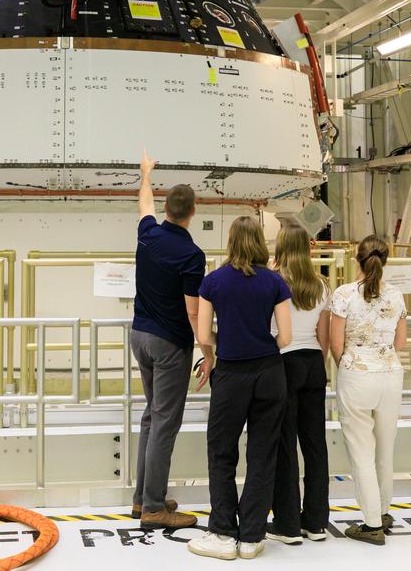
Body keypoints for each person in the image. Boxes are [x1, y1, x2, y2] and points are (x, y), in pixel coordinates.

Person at [187, 217, 292, 561]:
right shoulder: (274, 281)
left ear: (231, 241)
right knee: (262, 454)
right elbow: (286, 337)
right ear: (260, 242)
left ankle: (222, 532)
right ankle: (251, 536)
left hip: (231, 374)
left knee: (221, 452)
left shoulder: (213, 282)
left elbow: (203, 337)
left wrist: (225, 339)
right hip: (269, 372)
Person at [131, 150, 209, 530]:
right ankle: (154, 507)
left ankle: (143, 497)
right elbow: (193, 311)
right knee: (164, 422)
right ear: (194, 211)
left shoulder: (148, 233)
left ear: (167, 209)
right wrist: (208, 350)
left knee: (151, 416)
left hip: (139, 336)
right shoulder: (192, 255)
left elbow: (143, 201)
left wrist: (145, 174)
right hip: (168, 345)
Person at [330, 235, 407, 546]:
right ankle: (384, 512)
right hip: (390, 373)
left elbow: (336, 344)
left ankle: (371, 522)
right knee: (385, 449)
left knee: (361, 451)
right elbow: (399, 343)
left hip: (356, 374)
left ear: (356, 260)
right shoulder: (396, 295)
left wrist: (348, 366)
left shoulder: (344, 295)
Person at [267, 224, 331, 545]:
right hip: (314, 362)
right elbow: (323, 335)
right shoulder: (321, 284)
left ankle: (288, 523)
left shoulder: (275, 282)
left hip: (285, 361)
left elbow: (272, 329)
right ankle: (316, 521)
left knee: (285, 444)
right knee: (315, 444)